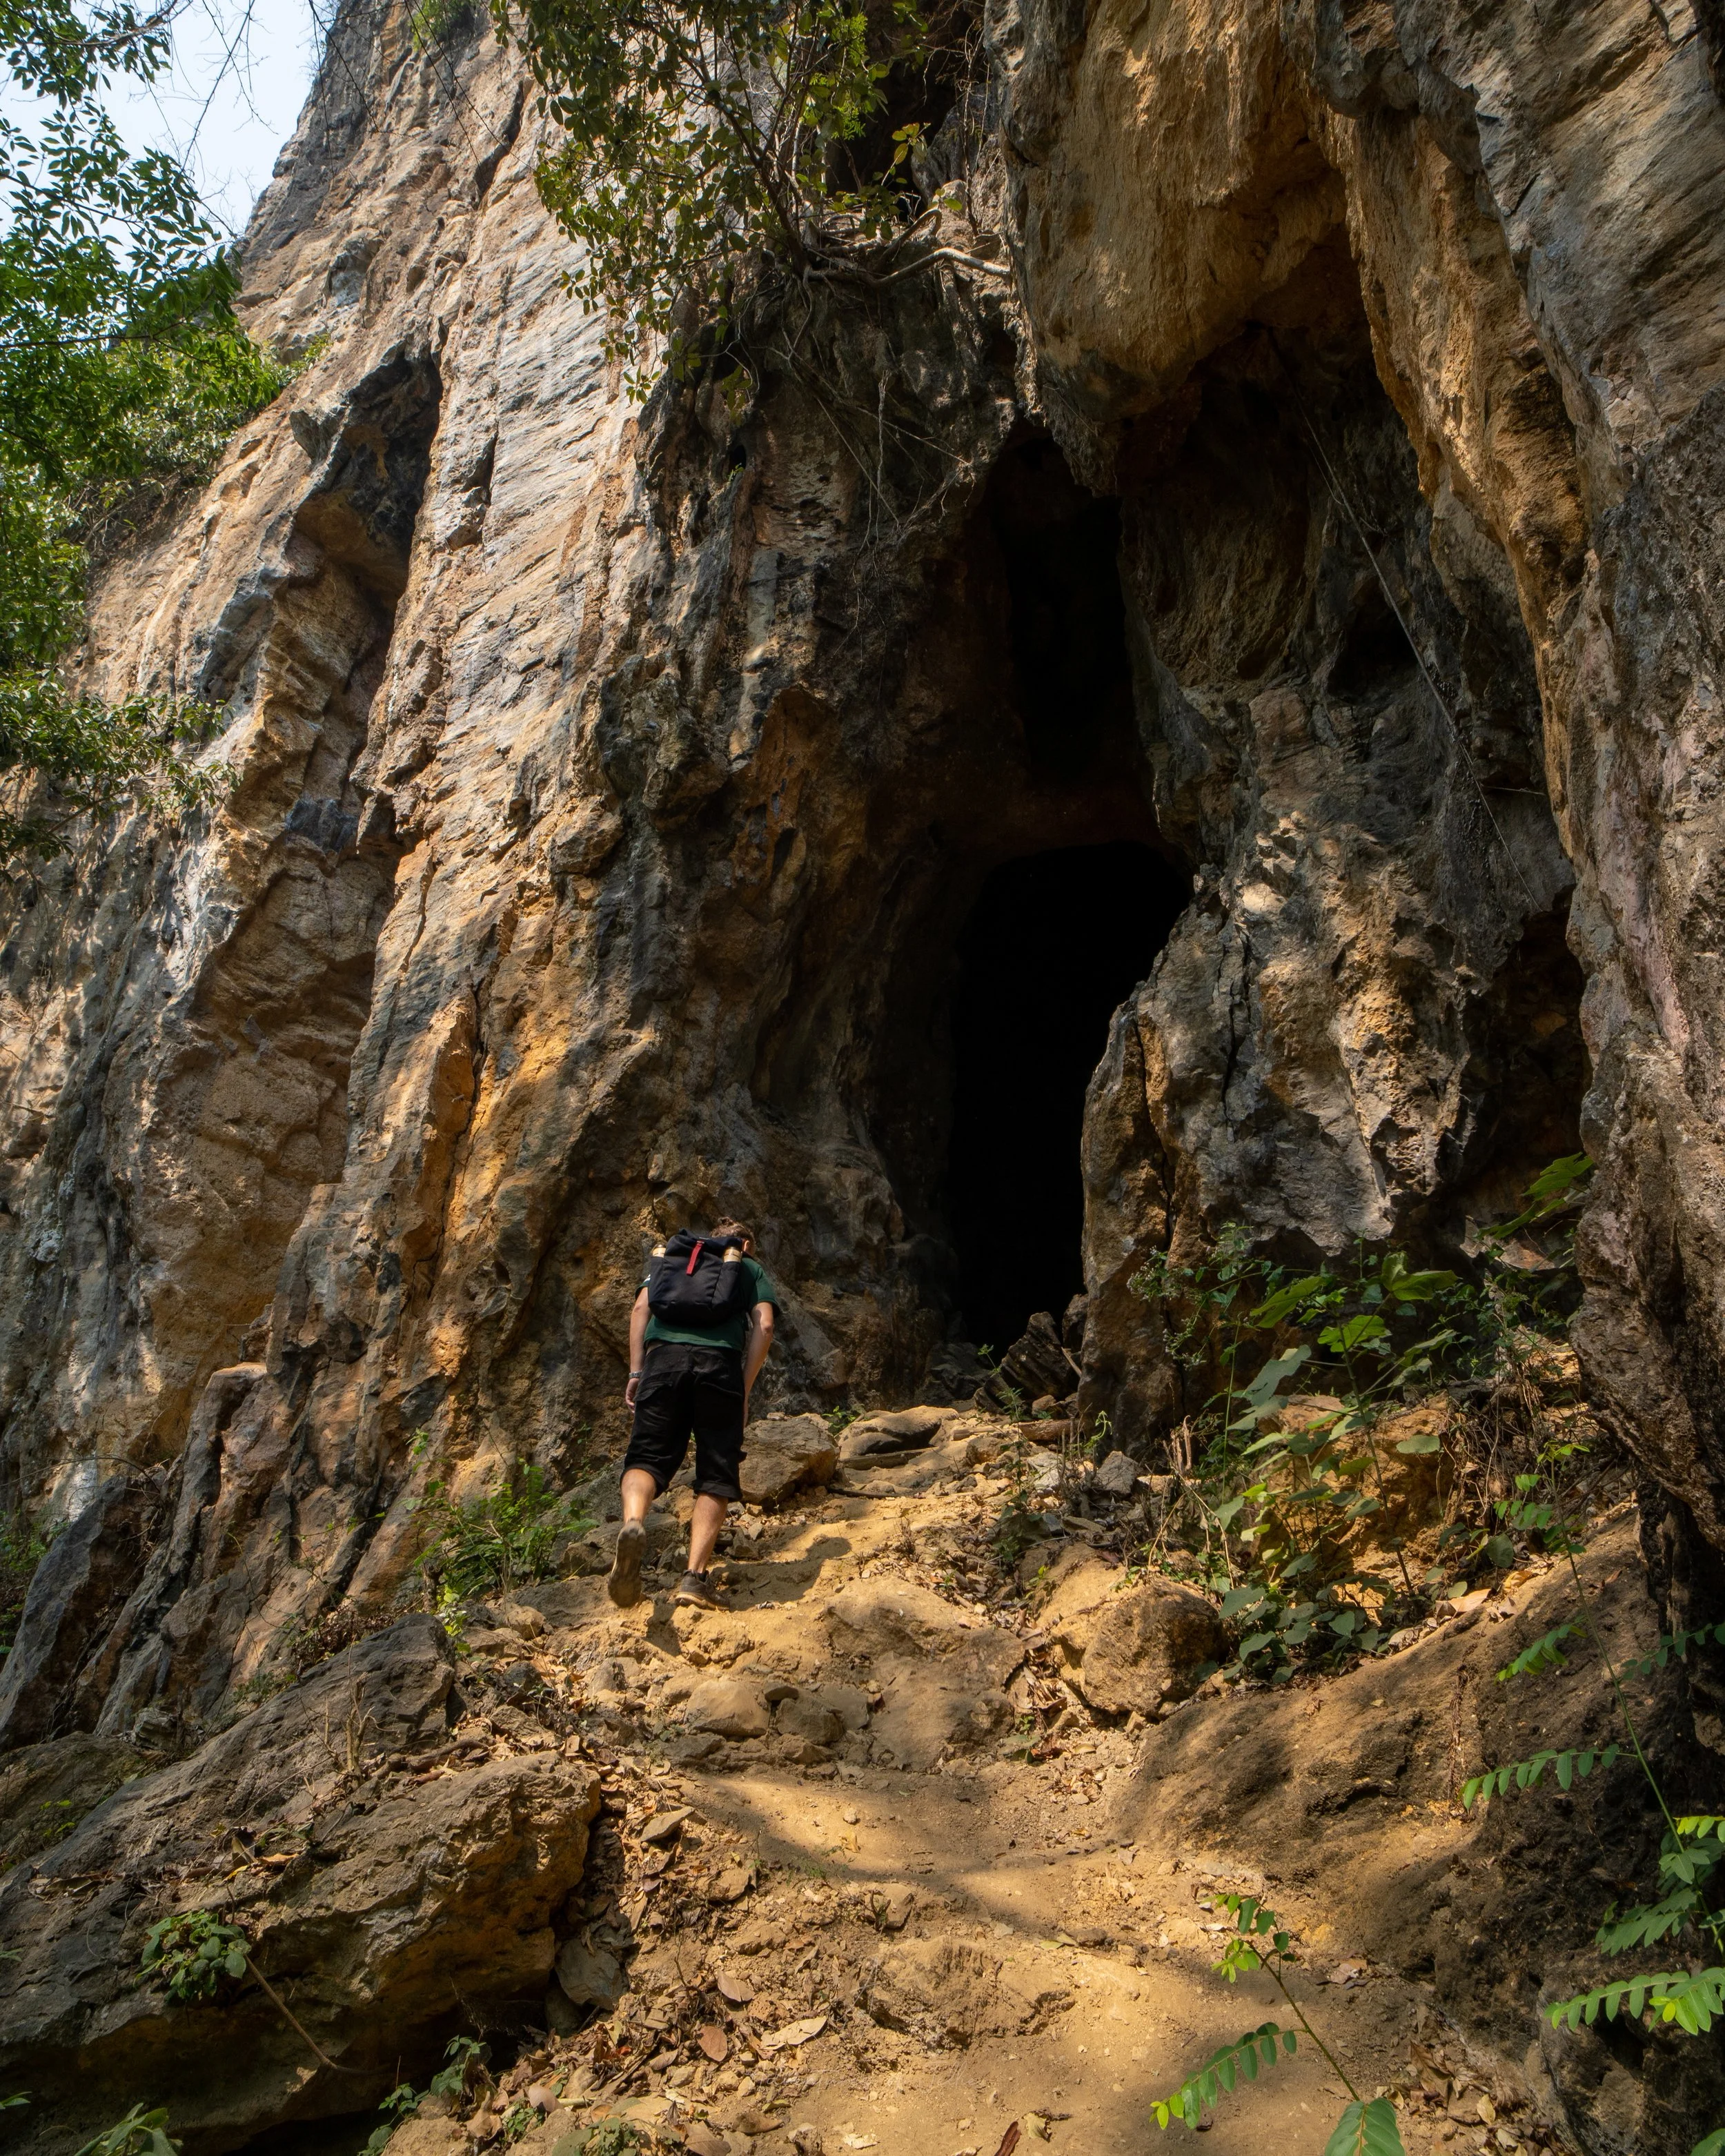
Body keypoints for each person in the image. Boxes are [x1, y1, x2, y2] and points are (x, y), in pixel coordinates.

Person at [608, 1217, 780, 1610]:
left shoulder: (671, 1258)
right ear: (744, 1244)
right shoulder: (748, 1267)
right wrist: (744, 1388)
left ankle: (634, 1521)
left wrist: (636, 1371)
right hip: (718, 1368)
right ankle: (694, 1578)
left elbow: (639, 1309)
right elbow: (765, 1326)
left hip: (661, 1363)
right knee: (717, 1470)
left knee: (647, 1457)